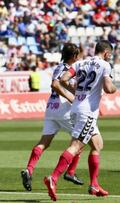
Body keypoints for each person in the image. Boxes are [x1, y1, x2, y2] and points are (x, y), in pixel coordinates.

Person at [44, 40, 117, 201]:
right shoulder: (105, 65)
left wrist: (77, 91)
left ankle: (94, 185)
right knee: (75, 146)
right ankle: (53, 177)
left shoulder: (80, 63)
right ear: (106, 53)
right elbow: (107, 88)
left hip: (75, 108)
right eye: (109, 55)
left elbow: (63, 79)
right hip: (87, 113)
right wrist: (115, 87)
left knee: (97, 144)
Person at [21, 43, 84, 192]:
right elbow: (55, 84)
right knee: (80, 141)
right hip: (64, 109)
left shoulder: (58, 67)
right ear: (75, 56)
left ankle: (29, 169)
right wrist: (71, 97)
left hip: (51, 108)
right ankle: (70, 172)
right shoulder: (70, 70)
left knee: (44, 142)